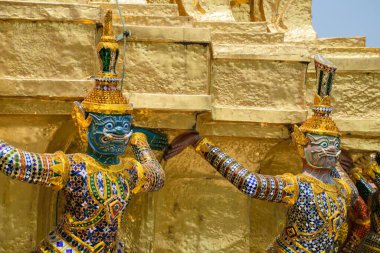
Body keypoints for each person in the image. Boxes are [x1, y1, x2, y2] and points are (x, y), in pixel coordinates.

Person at [0, 11, 166, 253]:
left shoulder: (130, 171)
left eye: (125, 125)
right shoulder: (74, 168)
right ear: (85, 124)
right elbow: (14, 162)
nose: (119, 132)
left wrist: (139, 141)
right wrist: (138, 141)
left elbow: (157, 177)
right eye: (109, 126)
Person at [165, 55, 359, 253]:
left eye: (335, 144)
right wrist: (199, 143)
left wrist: (324, 122)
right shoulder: (296, 186)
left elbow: (351, 193)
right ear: (302, 147)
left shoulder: (344, 190)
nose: (331, 149)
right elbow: (249, 182)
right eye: (322, 144)